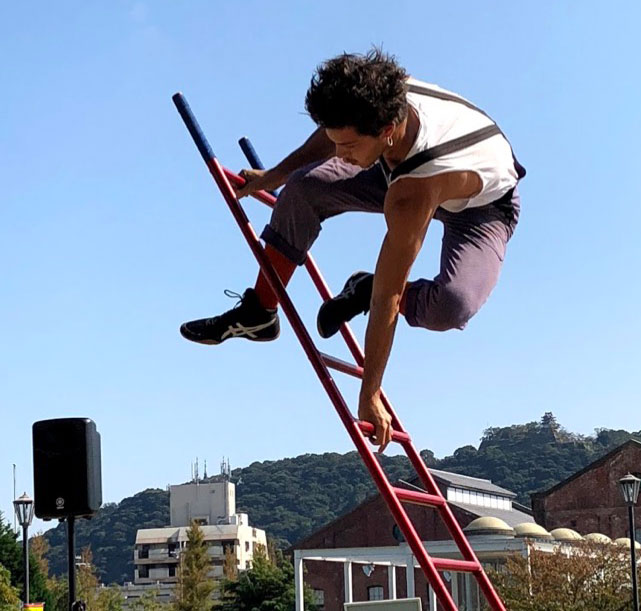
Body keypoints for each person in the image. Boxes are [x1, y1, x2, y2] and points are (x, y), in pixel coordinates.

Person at [180, 49, 524, 451]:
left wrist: (370, 391)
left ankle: (360, 286)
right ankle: (260, 312)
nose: (339, 153)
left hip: (482, 208)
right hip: (397, 164)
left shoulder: (412, 190)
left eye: (348, 145)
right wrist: (274, 175)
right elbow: (335, 136)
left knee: (452, 305)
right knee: (304, 187)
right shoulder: (383, 98)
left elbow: (389, 296)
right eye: (335, 141)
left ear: (387, 129)